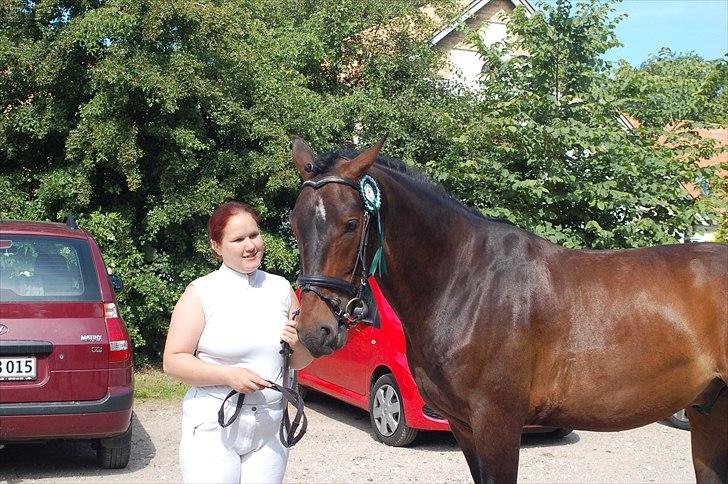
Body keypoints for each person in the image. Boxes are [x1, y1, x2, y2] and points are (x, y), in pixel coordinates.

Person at [163, 201, 313, 484]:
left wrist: (301, 345)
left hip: (270, 427)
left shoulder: (281, 288)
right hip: (215, 424)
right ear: (216, 246)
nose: (250, 246)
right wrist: (228, 375)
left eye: (254, 235)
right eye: (238, 239)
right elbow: (173, 361)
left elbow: (300, 361)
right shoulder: (200, 292)